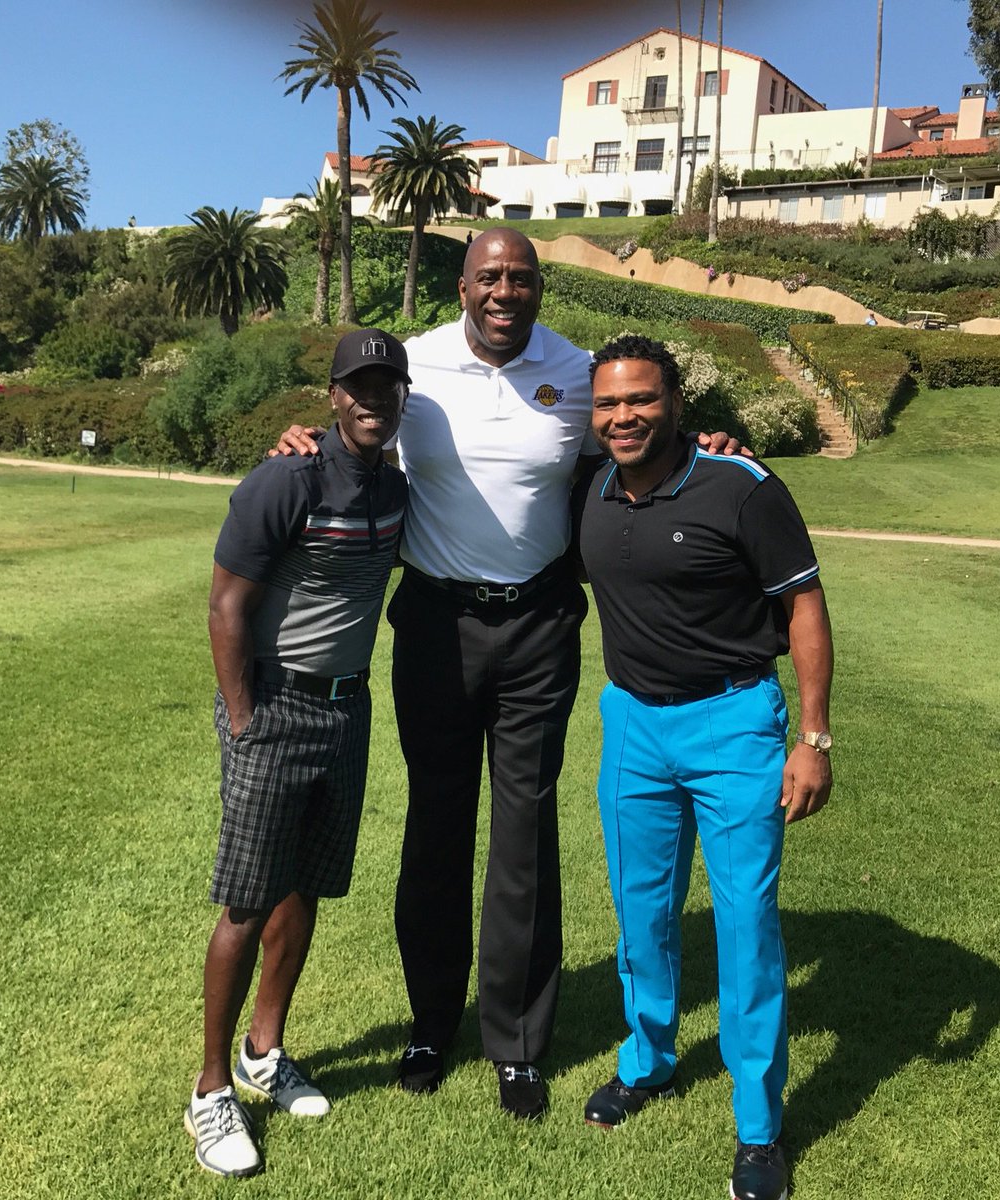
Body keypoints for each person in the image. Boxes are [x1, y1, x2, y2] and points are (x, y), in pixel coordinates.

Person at [274, 229, 742, 1120]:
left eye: (519, 278)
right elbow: (357, 428)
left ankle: (519, 1043)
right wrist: (300, 436)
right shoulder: (415, 368)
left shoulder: (575, 371)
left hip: (537, 622)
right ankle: (429, 1021)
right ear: (462, 286)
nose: (504, 291)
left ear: (538, 288)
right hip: (435, 624)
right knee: (437, 822)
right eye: (489, 276)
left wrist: (702, 439)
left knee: (524, 831)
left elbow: (632, 444)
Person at [574, 334, 833, 1200]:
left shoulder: (740, 485)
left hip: (733, 725)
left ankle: (759, 1129)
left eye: (640, 400)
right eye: (608, 404)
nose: (623, 418)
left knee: (745, 925)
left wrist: (814, 737)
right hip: (633, 726)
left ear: (677, 401)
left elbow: (803, 604)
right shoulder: (593, 483)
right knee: (641, 911)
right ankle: (647, 1060)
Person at [186, 329, 410, 1177]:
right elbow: (224, 607)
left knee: (304, 888)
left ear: (401, 399)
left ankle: (264, 1050)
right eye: (357, 385)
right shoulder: (287, 477)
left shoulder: (395, 488)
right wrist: (244, 719)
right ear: (332, 394)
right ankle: (211, 1091)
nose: (371, 399)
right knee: (246, 903)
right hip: (272, 707)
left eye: (386, 387)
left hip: (346, 711)